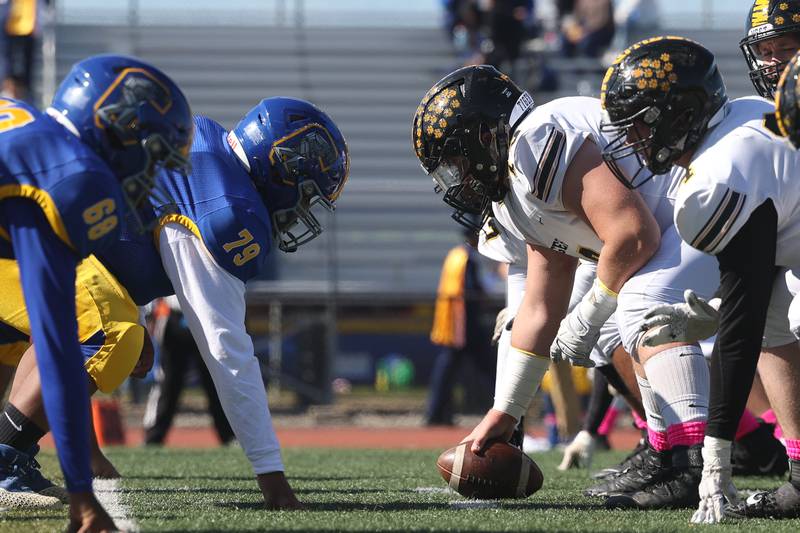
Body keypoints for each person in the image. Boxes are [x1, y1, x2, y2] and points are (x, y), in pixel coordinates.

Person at [0, 96, 349, 511]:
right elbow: (226, 352)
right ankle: (7, 462)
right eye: (306, 195)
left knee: (44, 337)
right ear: (282, 166)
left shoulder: (200, 141)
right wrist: (273, 479)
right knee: (112, 336)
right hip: (28, 236)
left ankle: (9, 453)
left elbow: (126, 238)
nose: (300, 211)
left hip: (24, 228)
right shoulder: (223, 208)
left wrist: (140, 314)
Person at [413, 63, 721, 510]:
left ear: (484, 136)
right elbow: (541, 302)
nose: (456, 178)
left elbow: (634, 236)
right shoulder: (516, 187)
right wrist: (506, 412)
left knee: (641, 303)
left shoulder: (535, 142)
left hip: (701, 199)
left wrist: (589, 312)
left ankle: (694, 462)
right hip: (675, 219)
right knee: (621, 323)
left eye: (455, 161)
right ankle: (665, 452)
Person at [600, 35, 800, 522]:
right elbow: (758, 290)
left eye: (643, 125)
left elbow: (743, 324)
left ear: (684, 113)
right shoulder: (744, 115)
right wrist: (723, 312)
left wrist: (715, 459)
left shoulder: (718, 178)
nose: (635, 141)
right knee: (781, 316)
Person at [0, 53, 192, 531]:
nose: (150, 169)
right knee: (105, 333)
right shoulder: (76, 178)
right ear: (113, 125)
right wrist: (82, 494)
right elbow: (59, 337)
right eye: (150, 150)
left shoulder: (28, 124)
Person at [426, 221, 494, 426]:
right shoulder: (467, 260)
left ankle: (438, 413)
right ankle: (502, 411)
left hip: (455, 321)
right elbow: (473, 290)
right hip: (465, 324)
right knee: (488, 369)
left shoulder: (455, 256)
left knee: (447, 370)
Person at [143, 297, 234, 446]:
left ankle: (229, 436)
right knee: (168, 382)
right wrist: (151, 314)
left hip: (208, 316)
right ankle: (154, 437)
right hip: (174, 316)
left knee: (216, 381)